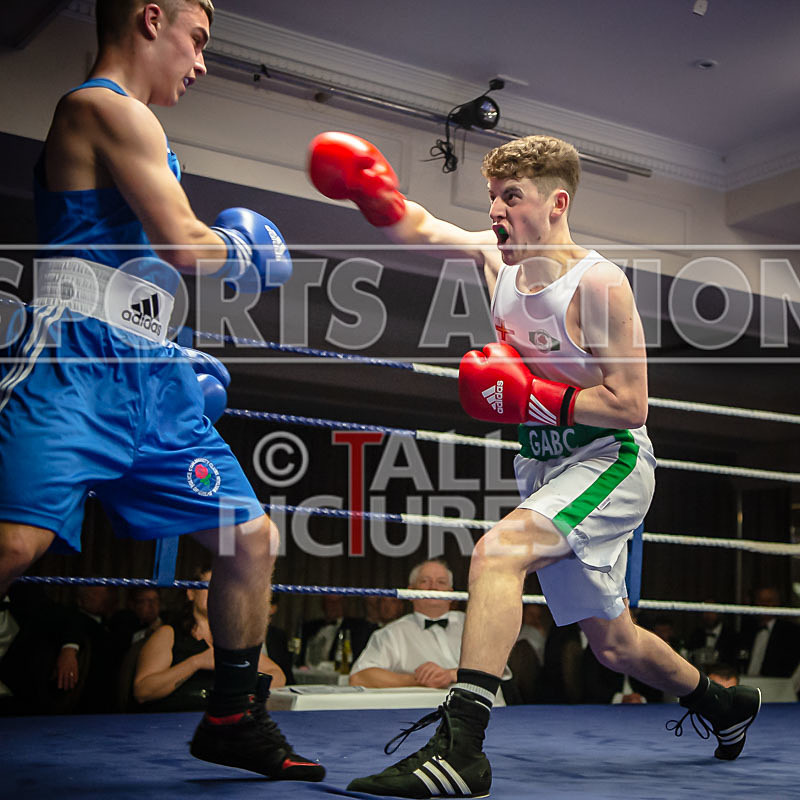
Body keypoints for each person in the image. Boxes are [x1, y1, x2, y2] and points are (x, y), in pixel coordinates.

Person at [308, 131, 761, 797]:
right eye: (492, 196)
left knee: (497, 552)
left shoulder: (598, 285)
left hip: (609, 460)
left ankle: (461, 747)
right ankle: (726, 705)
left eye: (511, 196)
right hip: (547, 465)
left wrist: (535, 398)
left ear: (556, 203)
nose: (496, 210)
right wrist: (368, 191)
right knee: (615, 645)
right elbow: (421, 227)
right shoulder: (495, 262)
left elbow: (630, 403)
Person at [0, 0, 322, 781]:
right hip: (77, 364)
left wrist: (170, 347)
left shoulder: (144, 131)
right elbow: (183, 244)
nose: (202, 62)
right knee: (13, 544)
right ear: (151, 18)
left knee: (249, 538)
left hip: (152, 371)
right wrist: (242, 249)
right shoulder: (102, 107)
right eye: (198, 39)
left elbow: (142, 268)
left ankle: (234, 717)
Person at [134, 568, 285, 711]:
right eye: (209, 586)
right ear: (191, 593)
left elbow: (277, 677)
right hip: (172, 719)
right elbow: (143, 691)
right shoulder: (169, 634)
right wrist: (196, 662)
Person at [349, 559, 466, 689]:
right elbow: (359, 677)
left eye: (441, 582)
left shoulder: (471, 625)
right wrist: (417, 680)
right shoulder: (392, 633)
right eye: (425, 581)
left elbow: (487, 664)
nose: (433, 587)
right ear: (410, 592)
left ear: (452, 594)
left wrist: (452, 674)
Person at [300, 593, 376, 669]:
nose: (333, 605)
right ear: (323, 604)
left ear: (344, 604)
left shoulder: (356, 628)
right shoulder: (309, 627)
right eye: (329, 602)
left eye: (337, 602)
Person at [742, 586, 800, 678]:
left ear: (778, 603)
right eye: (760, 600)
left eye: (769, 601)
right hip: (746, 682)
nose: (764, 604)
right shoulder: (747, 630)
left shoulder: (790, 633)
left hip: (776, 684)